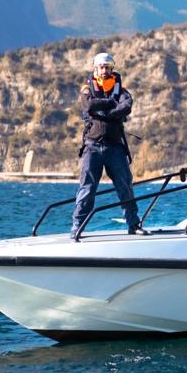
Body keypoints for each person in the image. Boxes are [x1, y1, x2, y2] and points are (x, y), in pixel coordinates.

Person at [71, 52, 148, 239]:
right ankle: (77, 227)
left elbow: (126, 106)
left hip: (115, 147)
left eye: (107, 67)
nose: (104, 70)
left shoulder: (122, 90)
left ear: (112, 69)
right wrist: (111, 105)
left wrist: (104, 110)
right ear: (95, 68)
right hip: (92, 147)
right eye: (101, 67)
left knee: (125, 187)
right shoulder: (86, 89)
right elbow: (89, 105)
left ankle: (133, 224)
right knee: (87, 188)